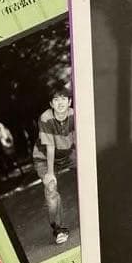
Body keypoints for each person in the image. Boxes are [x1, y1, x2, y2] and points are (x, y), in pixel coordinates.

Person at [31, 92, 76, 245]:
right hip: (45, 158)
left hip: (68, 154)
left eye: (63, 98)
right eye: (56, 99)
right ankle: (59, 229)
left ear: (69, 101)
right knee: (51, 188)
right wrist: (50, 173)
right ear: (51, 104)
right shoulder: (46, 118)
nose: (60, 102)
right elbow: (50, 147)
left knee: (93, 172)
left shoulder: (74, 115)